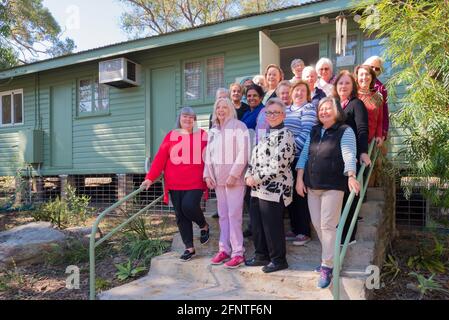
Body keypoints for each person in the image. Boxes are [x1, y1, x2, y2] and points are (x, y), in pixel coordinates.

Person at [295, 97, 360, 289]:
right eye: (321, 109)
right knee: (317, 224)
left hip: (333, 185)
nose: (323, 111)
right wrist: (299, 178)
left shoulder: (344, 130)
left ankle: (327, 266)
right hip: (312, 186)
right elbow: (304, 155)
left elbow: (349, 154)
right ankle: (331, 257)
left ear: (336, 111)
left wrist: (351, 176)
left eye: (327, 108)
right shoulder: (314, 130)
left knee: (328, 225)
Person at [141, 107, 209, 261]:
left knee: (189, 206)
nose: (187, 119)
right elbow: (160, 158)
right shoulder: (171, 136)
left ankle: (203, 225)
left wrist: (210, 174)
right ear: (179, 118)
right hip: (174, 183)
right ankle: (189, 248)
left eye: (191, 117)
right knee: (180, 215)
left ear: (195, 120)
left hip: (195, 181)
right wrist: (150, 178)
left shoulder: (203, 135)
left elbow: (210, 157)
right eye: (185, 116)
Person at [244, 98, 295, 273]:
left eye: (276, 112)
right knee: (257, 224)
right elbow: (253, 158)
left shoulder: (286, 134)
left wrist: (255, 178)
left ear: (283, 115)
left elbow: (278, 165)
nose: (272, 115)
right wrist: (248, 175)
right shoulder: (265, 134)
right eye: (269, 112)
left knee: (272, 225)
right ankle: (261, 255)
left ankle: (279, 260)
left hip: (275, 188)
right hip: (257, 188)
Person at [204, 98, 250, 268]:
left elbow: (243, 152)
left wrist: (234, 174)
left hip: (234, 181)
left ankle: (238, 253)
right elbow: (207, 155)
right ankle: (224, 250)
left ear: (231, 109)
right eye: (218, 107)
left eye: (224, 107)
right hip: (218, 181)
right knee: (223, 216)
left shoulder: (239, 126)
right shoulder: (213, 131)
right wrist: (207, 175)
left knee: (234, 216)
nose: (221, 110)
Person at [333, 70, 370, 245]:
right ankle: (339, 231)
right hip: (335, 156)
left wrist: (363, 151)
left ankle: (349, 235)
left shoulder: (356, 104)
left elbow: (362, 129)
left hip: (351, 154)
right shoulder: (334, 105)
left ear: (353, 86)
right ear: (336, 86)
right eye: (340, 83)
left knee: (350, 194)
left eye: (347, 83)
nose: (343, 86)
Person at [284, 80, 317, 246]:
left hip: (299, 157)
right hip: (285, 159)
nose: (299, 93)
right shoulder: (286, 110)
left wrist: (287, 149)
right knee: (289, 194)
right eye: (296, 90)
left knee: (300, 195)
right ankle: (294, 228)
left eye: (303, 91)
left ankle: (304, 231)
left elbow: (307, 132)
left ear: (307, 94)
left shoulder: (308, 108)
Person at [240, 84, 265, 237]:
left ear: (260, 97)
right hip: (245, 156)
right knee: (248, 194)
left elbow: (261, 135)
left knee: (253, 194)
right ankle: (252, 224)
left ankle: (255, 226)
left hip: (256, 157)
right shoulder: (246, 113)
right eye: (249, 96)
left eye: (254, 95)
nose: (251, 98)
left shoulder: (262, 112)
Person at [363, 56, 389, 141]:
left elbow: (384, 112)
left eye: (377, 69)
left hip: (373, 134)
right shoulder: (356, 83)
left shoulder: (381, 88)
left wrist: (383, 132)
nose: (374, 70)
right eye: (371, 67)